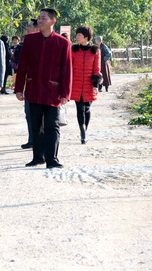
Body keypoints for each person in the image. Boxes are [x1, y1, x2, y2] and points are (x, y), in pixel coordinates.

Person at [14, 9, 72, 168]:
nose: (40, 21)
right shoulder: (29, 40)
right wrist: (19, 88)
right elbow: (22, 66)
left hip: (53, 91)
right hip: (33, 89)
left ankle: (52, 159)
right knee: (35, 124)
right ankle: (38, 157)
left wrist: (65, 93)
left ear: (52, 21)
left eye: (43, 18)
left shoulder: (63, 43)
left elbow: (67, 69)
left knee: (52, 126)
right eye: (39, 18)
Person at [71, 26, 101, 144]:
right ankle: (82, 132)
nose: (77, 37)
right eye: (77, 35)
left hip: (89, 85)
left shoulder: (95, 51)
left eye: (79, 35)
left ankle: (85, 131)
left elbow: (96, 69)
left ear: (86, 37)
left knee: (87, 109)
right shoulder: (73, 50)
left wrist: (95, 85)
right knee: (80, 108)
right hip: (76, 84)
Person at [15, 19, 37, 149]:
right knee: (28, 113)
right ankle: (32, 139)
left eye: (29, 26)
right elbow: (21, 67)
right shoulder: (25, 44)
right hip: (29, 85)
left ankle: (40, 139)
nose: (27, 28)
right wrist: (18, 86)